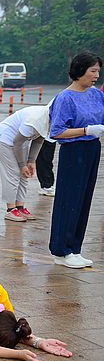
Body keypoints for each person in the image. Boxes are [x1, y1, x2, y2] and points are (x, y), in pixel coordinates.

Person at [47, 52, 104, 269]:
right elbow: (57, 131)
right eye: (93, 71)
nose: (96, 75)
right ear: (80, 71)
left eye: (98, 71)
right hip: (74, 151)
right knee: (69, 200)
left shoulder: (96, 94)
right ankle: (60, 250)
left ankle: (74, 248)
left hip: (92, 148)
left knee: (84, 199)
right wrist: (86, 130)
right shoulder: (65, 98)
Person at [0, 104, 50, 222]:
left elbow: (39, 140)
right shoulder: (35, 119)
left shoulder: (52, 120)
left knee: (25, 174)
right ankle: (10, 210)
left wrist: (31, 161)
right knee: (13, 173)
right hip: (5, 139)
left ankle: (20, 207)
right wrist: (22, 165)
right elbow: (17, 142)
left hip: (22, 141)